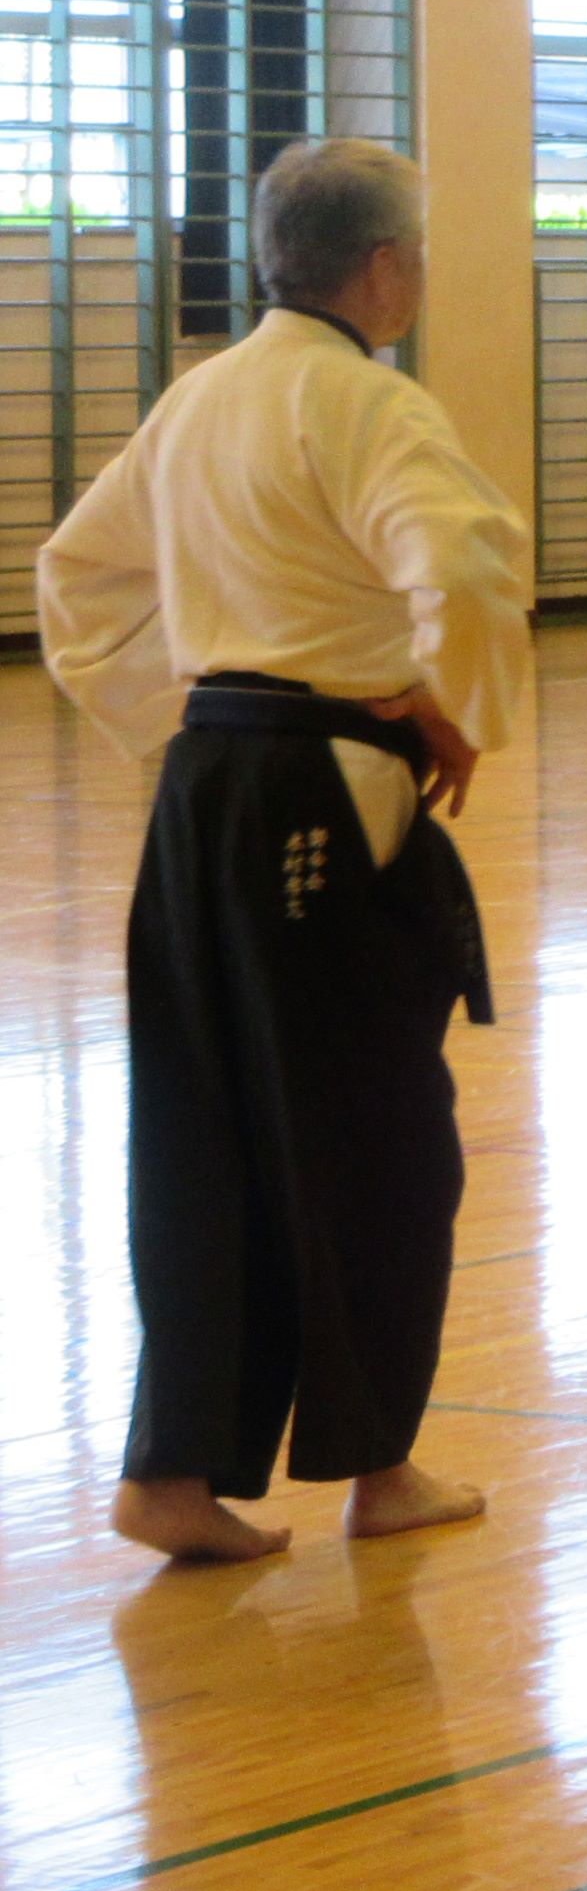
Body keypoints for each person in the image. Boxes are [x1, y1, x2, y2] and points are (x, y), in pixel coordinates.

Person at [34, 138, 527, 1563]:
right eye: (418, 253)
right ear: (383, 267)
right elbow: (469, 563)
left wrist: (181, 709)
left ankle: (172, 1476)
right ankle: (377, 1466)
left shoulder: (201, 397)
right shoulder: (366, 402)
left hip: (206, 790)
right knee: (379, 1143)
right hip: (325, 788)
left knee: (204, 1128)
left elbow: (77, 574)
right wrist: (450, 699)